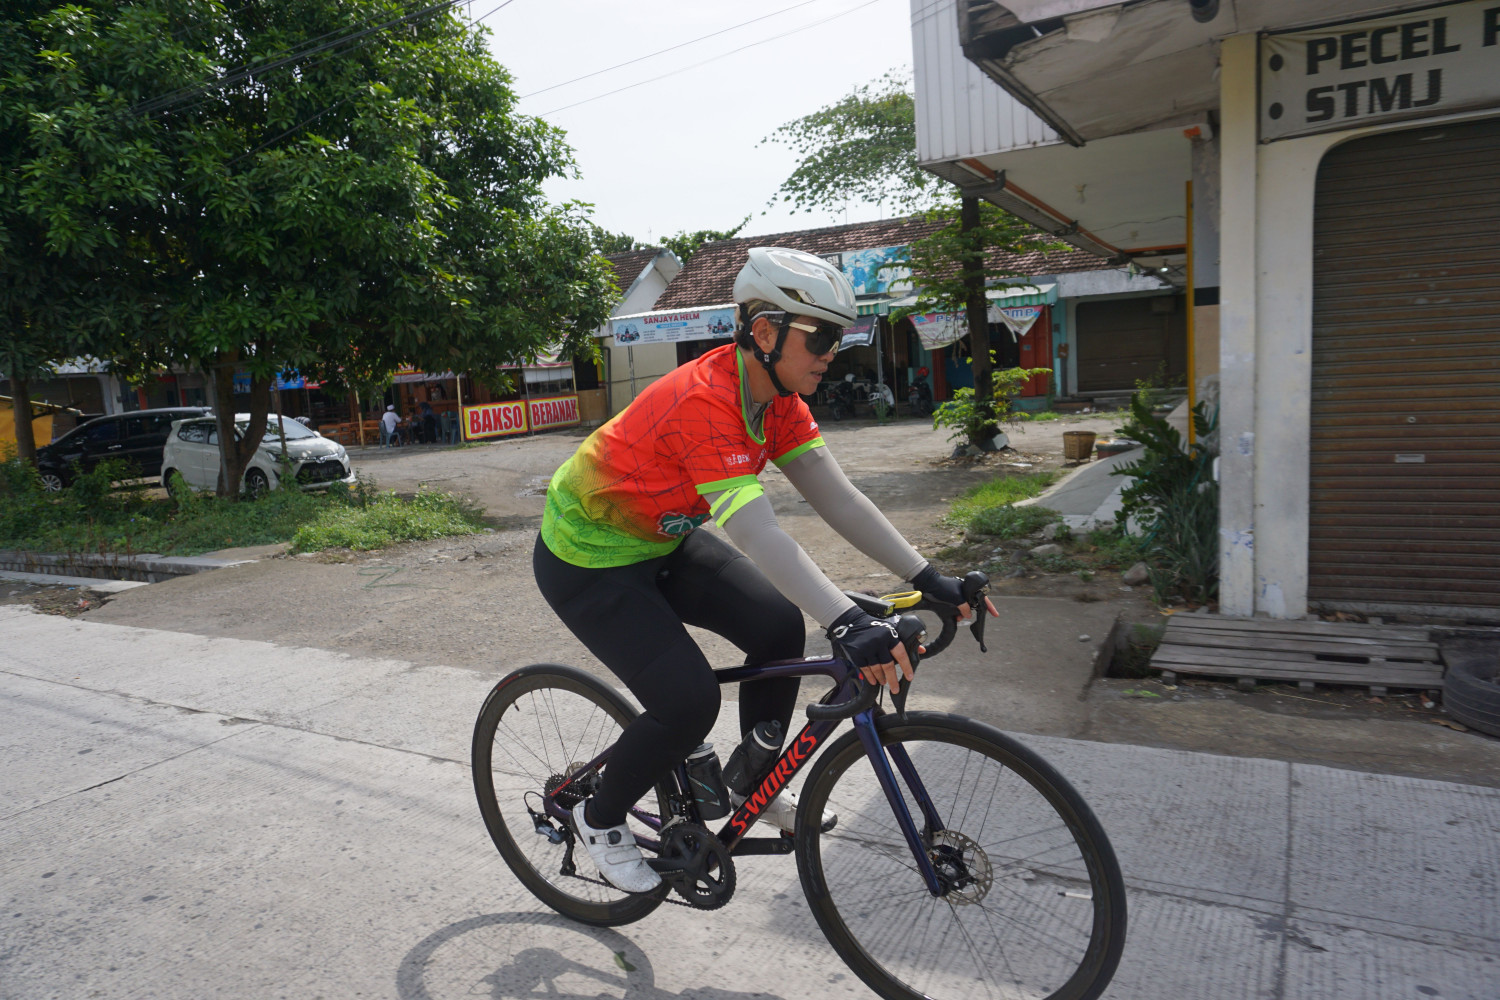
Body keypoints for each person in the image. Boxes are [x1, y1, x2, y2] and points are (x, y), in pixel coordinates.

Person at [533, 247, 997, 894]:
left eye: (841, 337)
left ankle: (748, 780)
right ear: (764, 332)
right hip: (587, 557)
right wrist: (844, 620)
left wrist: (927, 577)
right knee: (688, 701)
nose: (833, 352)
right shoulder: (704, 399)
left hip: (661, 541)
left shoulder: (777, 398)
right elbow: (756, 531)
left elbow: (837, 497)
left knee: (778, 625)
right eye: (823, 337)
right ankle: (599, 816)